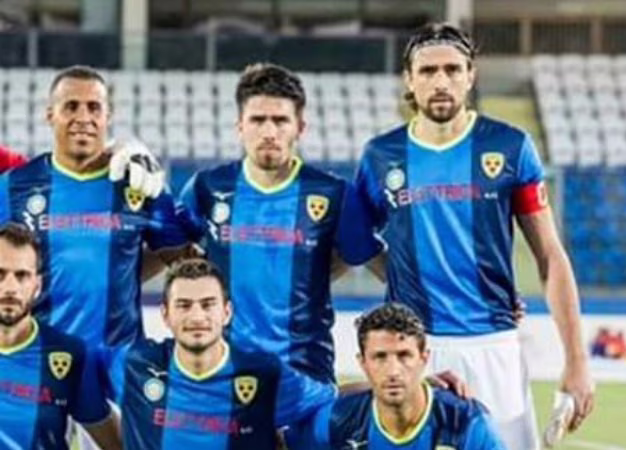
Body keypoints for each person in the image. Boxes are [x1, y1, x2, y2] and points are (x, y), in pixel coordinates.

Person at [354, 23, 594, 449]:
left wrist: (577, 361)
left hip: (493, 346)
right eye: (427, 71)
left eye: (452, 69)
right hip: (413, 349)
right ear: (409, 79)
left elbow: (550, 257)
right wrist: (403, 277)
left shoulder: (510, 147)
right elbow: (358, 242)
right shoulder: (380, 156)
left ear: (471, 75)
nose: (440, 81)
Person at [179, 63, 384, 384]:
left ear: (300, 127)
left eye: (280, 120)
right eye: (257, 120)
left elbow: (368, 259)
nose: (269, 132)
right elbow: (172, 249)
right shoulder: (206, 187)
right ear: (240, 126)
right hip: (223, 372)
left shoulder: (334, 194)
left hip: (307, 374)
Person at [0, 65, 188, 350]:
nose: (83, 118)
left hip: (120, 362)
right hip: (39, 359)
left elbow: (180, 256)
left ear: (108, 116)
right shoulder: (13, 186)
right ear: (50, 114)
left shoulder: (140, 182)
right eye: (71, 106)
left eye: (94, 107)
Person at [100, 258, 336, 449]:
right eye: (183, 305)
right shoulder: (133, 365)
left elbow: (329, 401)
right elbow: (83, 380)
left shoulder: (264, 374)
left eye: (208, 304)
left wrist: (290, 440)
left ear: (227, 312)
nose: (197, 317)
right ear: (165, 315)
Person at [295, 303, 506, 449]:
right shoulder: (335, 420)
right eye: (380, 357)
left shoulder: (466, 422)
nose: (393, 370)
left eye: (404, 356)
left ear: (423, 359)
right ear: (363, 363)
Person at [0, 222, 121, 449]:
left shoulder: (70, 354)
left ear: (37, 284)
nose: (10, 288)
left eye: (22, 275)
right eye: (0, 274)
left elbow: (115, 443)